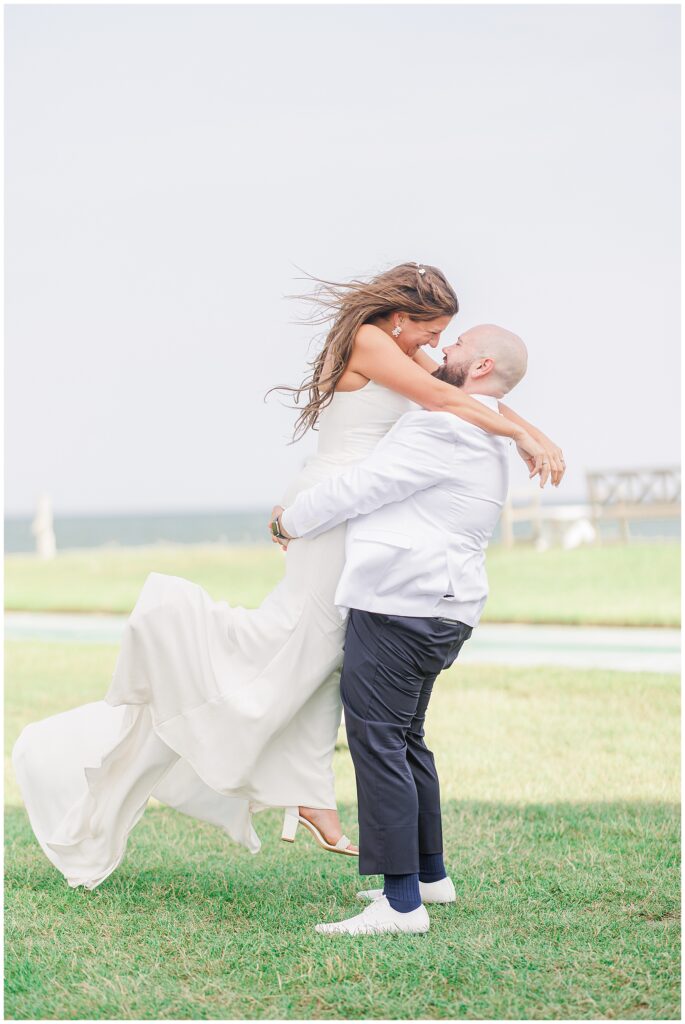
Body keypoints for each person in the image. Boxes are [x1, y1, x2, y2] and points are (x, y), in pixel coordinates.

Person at [13, 265, 563, 891]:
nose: (436, 346)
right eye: (433, 332)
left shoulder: (408, 352)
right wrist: (520, 433)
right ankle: (181, 642)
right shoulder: (373, 341)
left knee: (327, 651)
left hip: (351, 508)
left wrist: (531, 431)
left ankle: (308, 791)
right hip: (333, 503)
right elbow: (447, 396)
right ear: (403, 317)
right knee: (299, 643)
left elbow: (476, 390)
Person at [272, 324, 527, 935]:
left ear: (482, 362)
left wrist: (291, 521)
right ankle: (431, 877)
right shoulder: (484, 428)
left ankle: (400, 904)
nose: (442, 351)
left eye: (456, 344)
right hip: (441, 607)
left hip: (402, 604)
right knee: (406, 739)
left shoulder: (446, 424)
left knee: (379, 742)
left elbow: (366, 486)